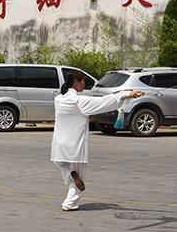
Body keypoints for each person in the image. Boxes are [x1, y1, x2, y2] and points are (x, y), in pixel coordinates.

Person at [51, 70, 143, 211]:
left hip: (60, 143)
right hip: (76, 144)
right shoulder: (79, 101)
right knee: (80, 177)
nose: (84, 84)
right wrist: (126, 94)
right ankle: (69, 204)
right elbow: (103, 101)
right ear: (76, 82)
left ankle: (69, 172)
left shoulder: (58, 100)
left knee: (60, 163)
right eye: (83, 81)